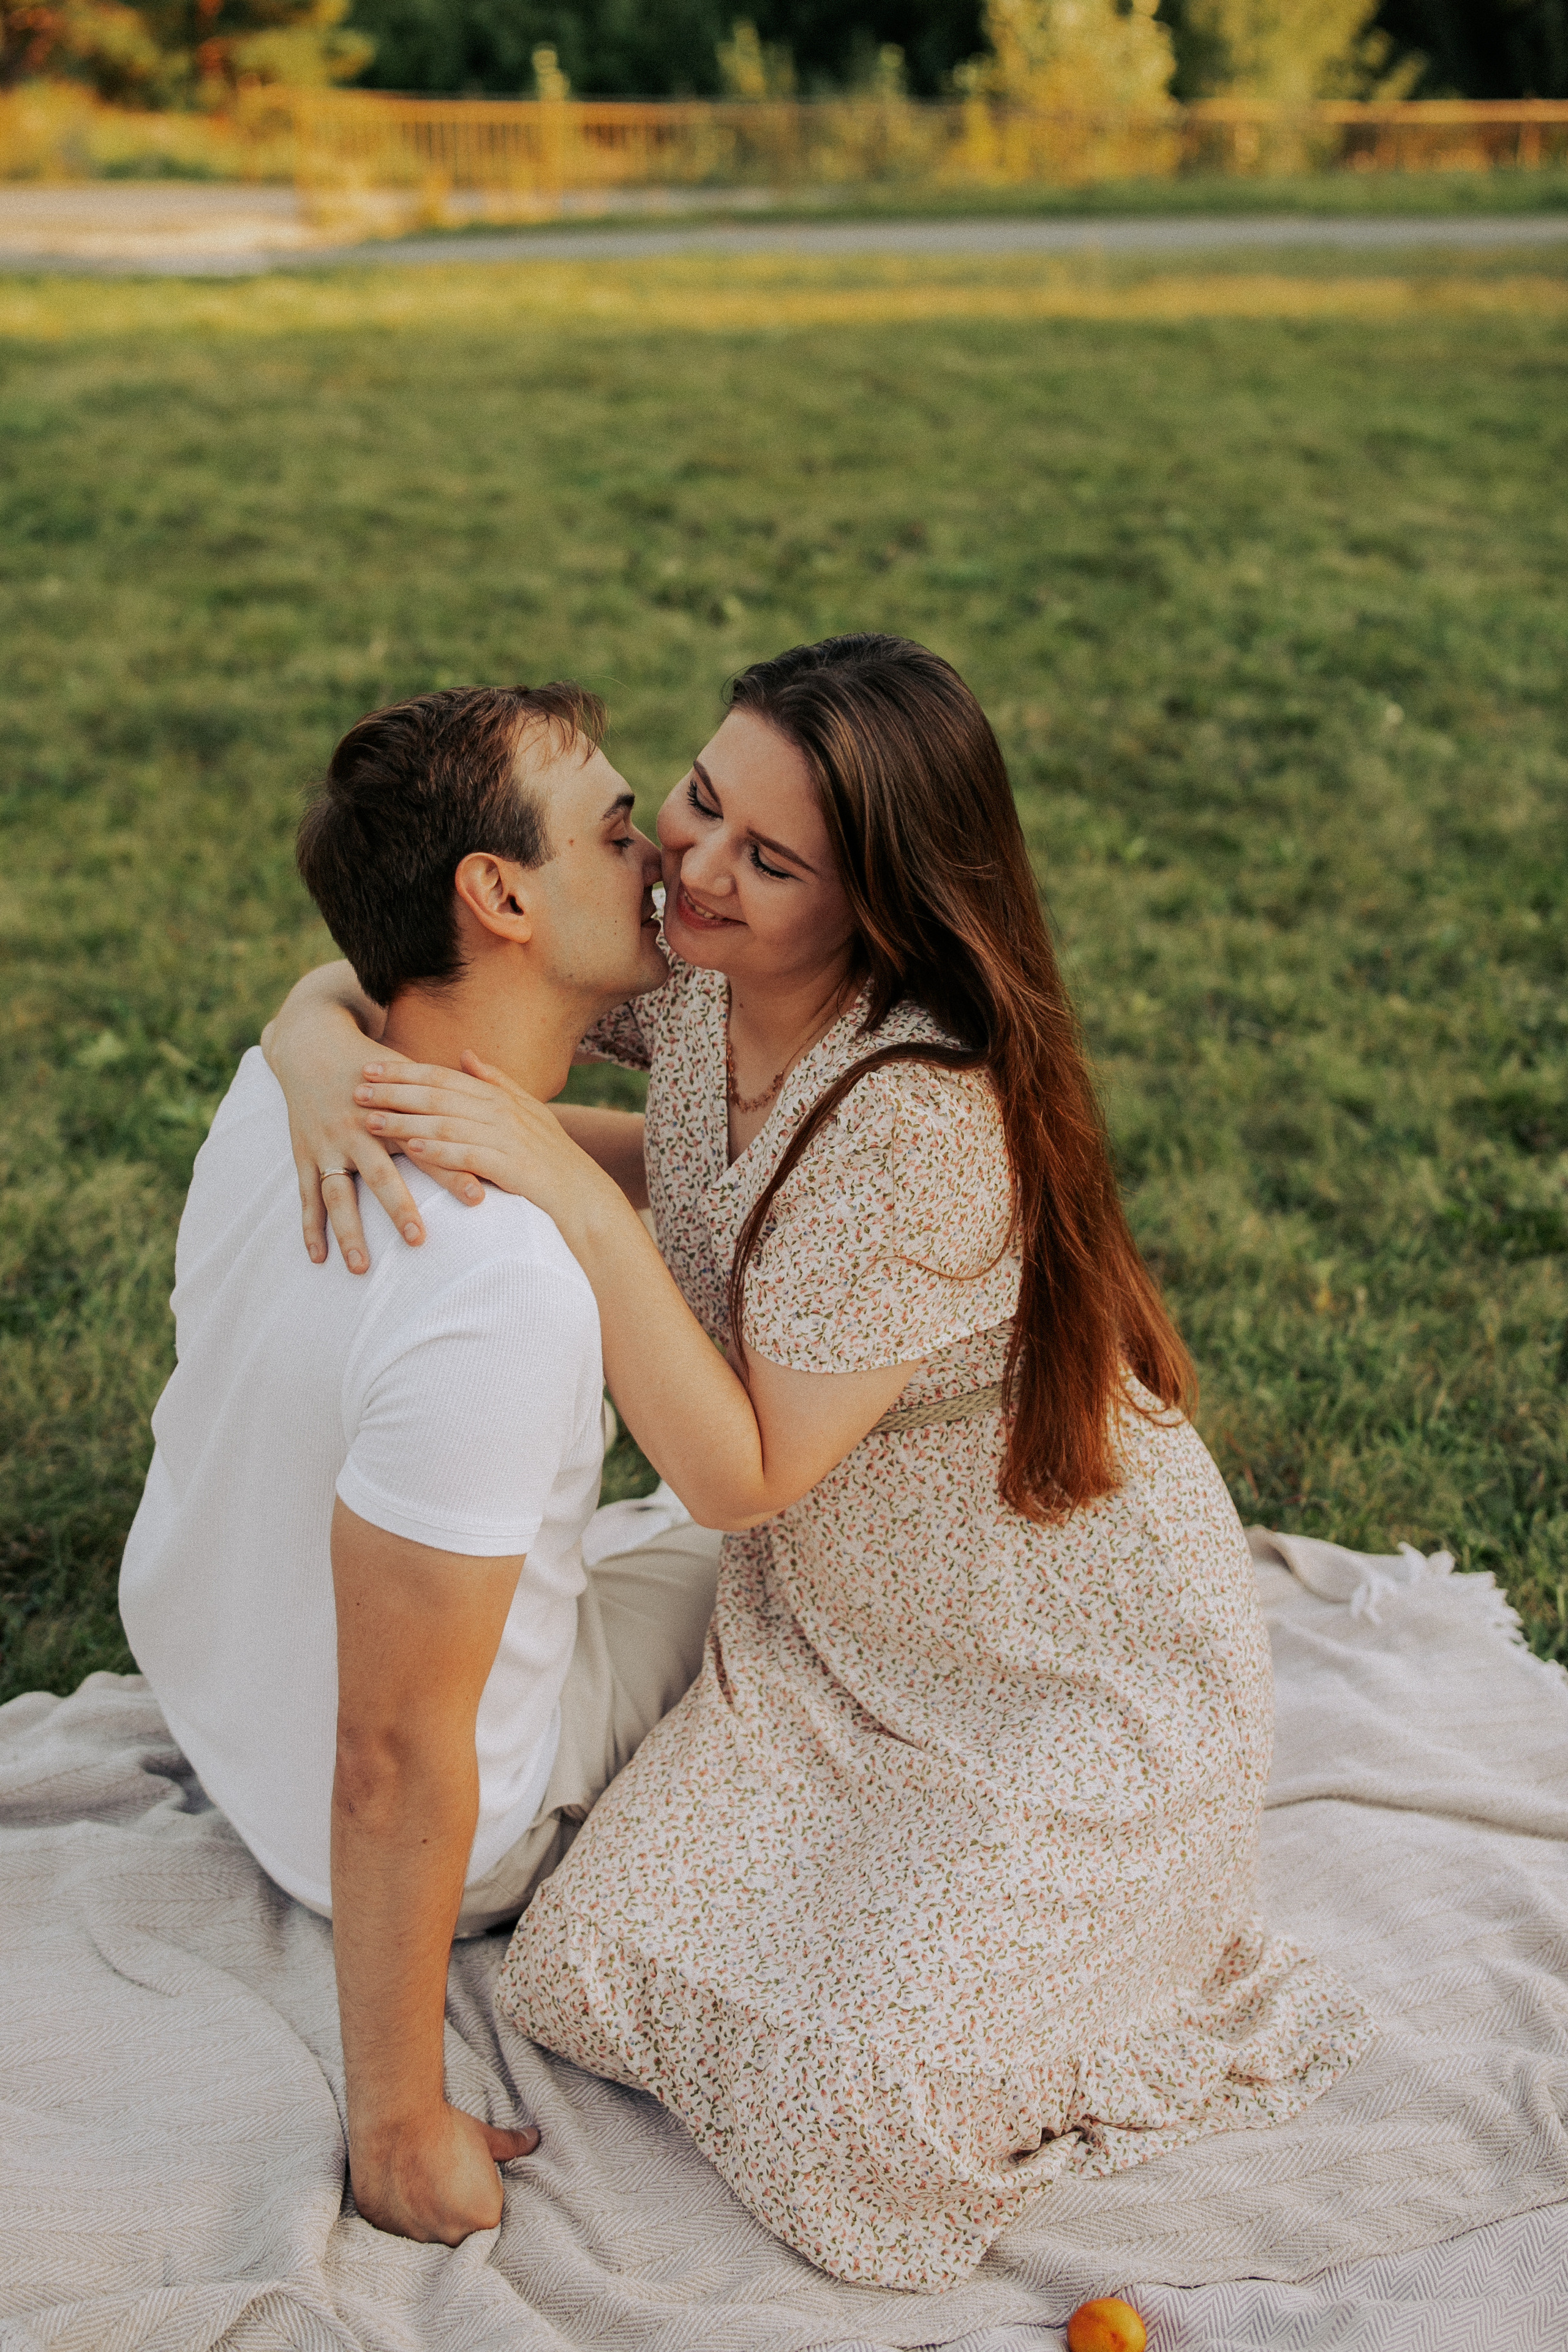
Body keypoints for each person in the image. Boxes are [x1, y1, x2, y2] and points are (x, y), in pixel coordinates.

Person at [266, 635, 1370, 2293]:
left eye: (767, 859)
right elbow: (376, 979)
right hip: (834, 1637)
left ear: (879, 906)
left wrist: (567, 1194)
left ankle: (1117, 1935)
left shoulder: (922, 1116)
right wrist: (311, 1060)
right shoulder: (704, 965)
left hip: (1056, 1671)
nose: (692, 870)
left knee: (866, 2109)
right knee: (582, 1971)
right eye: (698, 802)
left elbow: (739, 1478)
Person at [118, 683, 721, 2252]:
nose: (656, 847)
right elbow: (392, 1757)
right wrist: (395, 2122)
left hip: (216, 1687)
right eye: (611, 826)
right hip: (399, 1823)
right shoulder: (500, 1290)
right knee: (801, 1561)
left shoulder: (294, 1085)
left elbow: (328, 989)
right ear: (497, 894)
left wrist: (305, 1022)